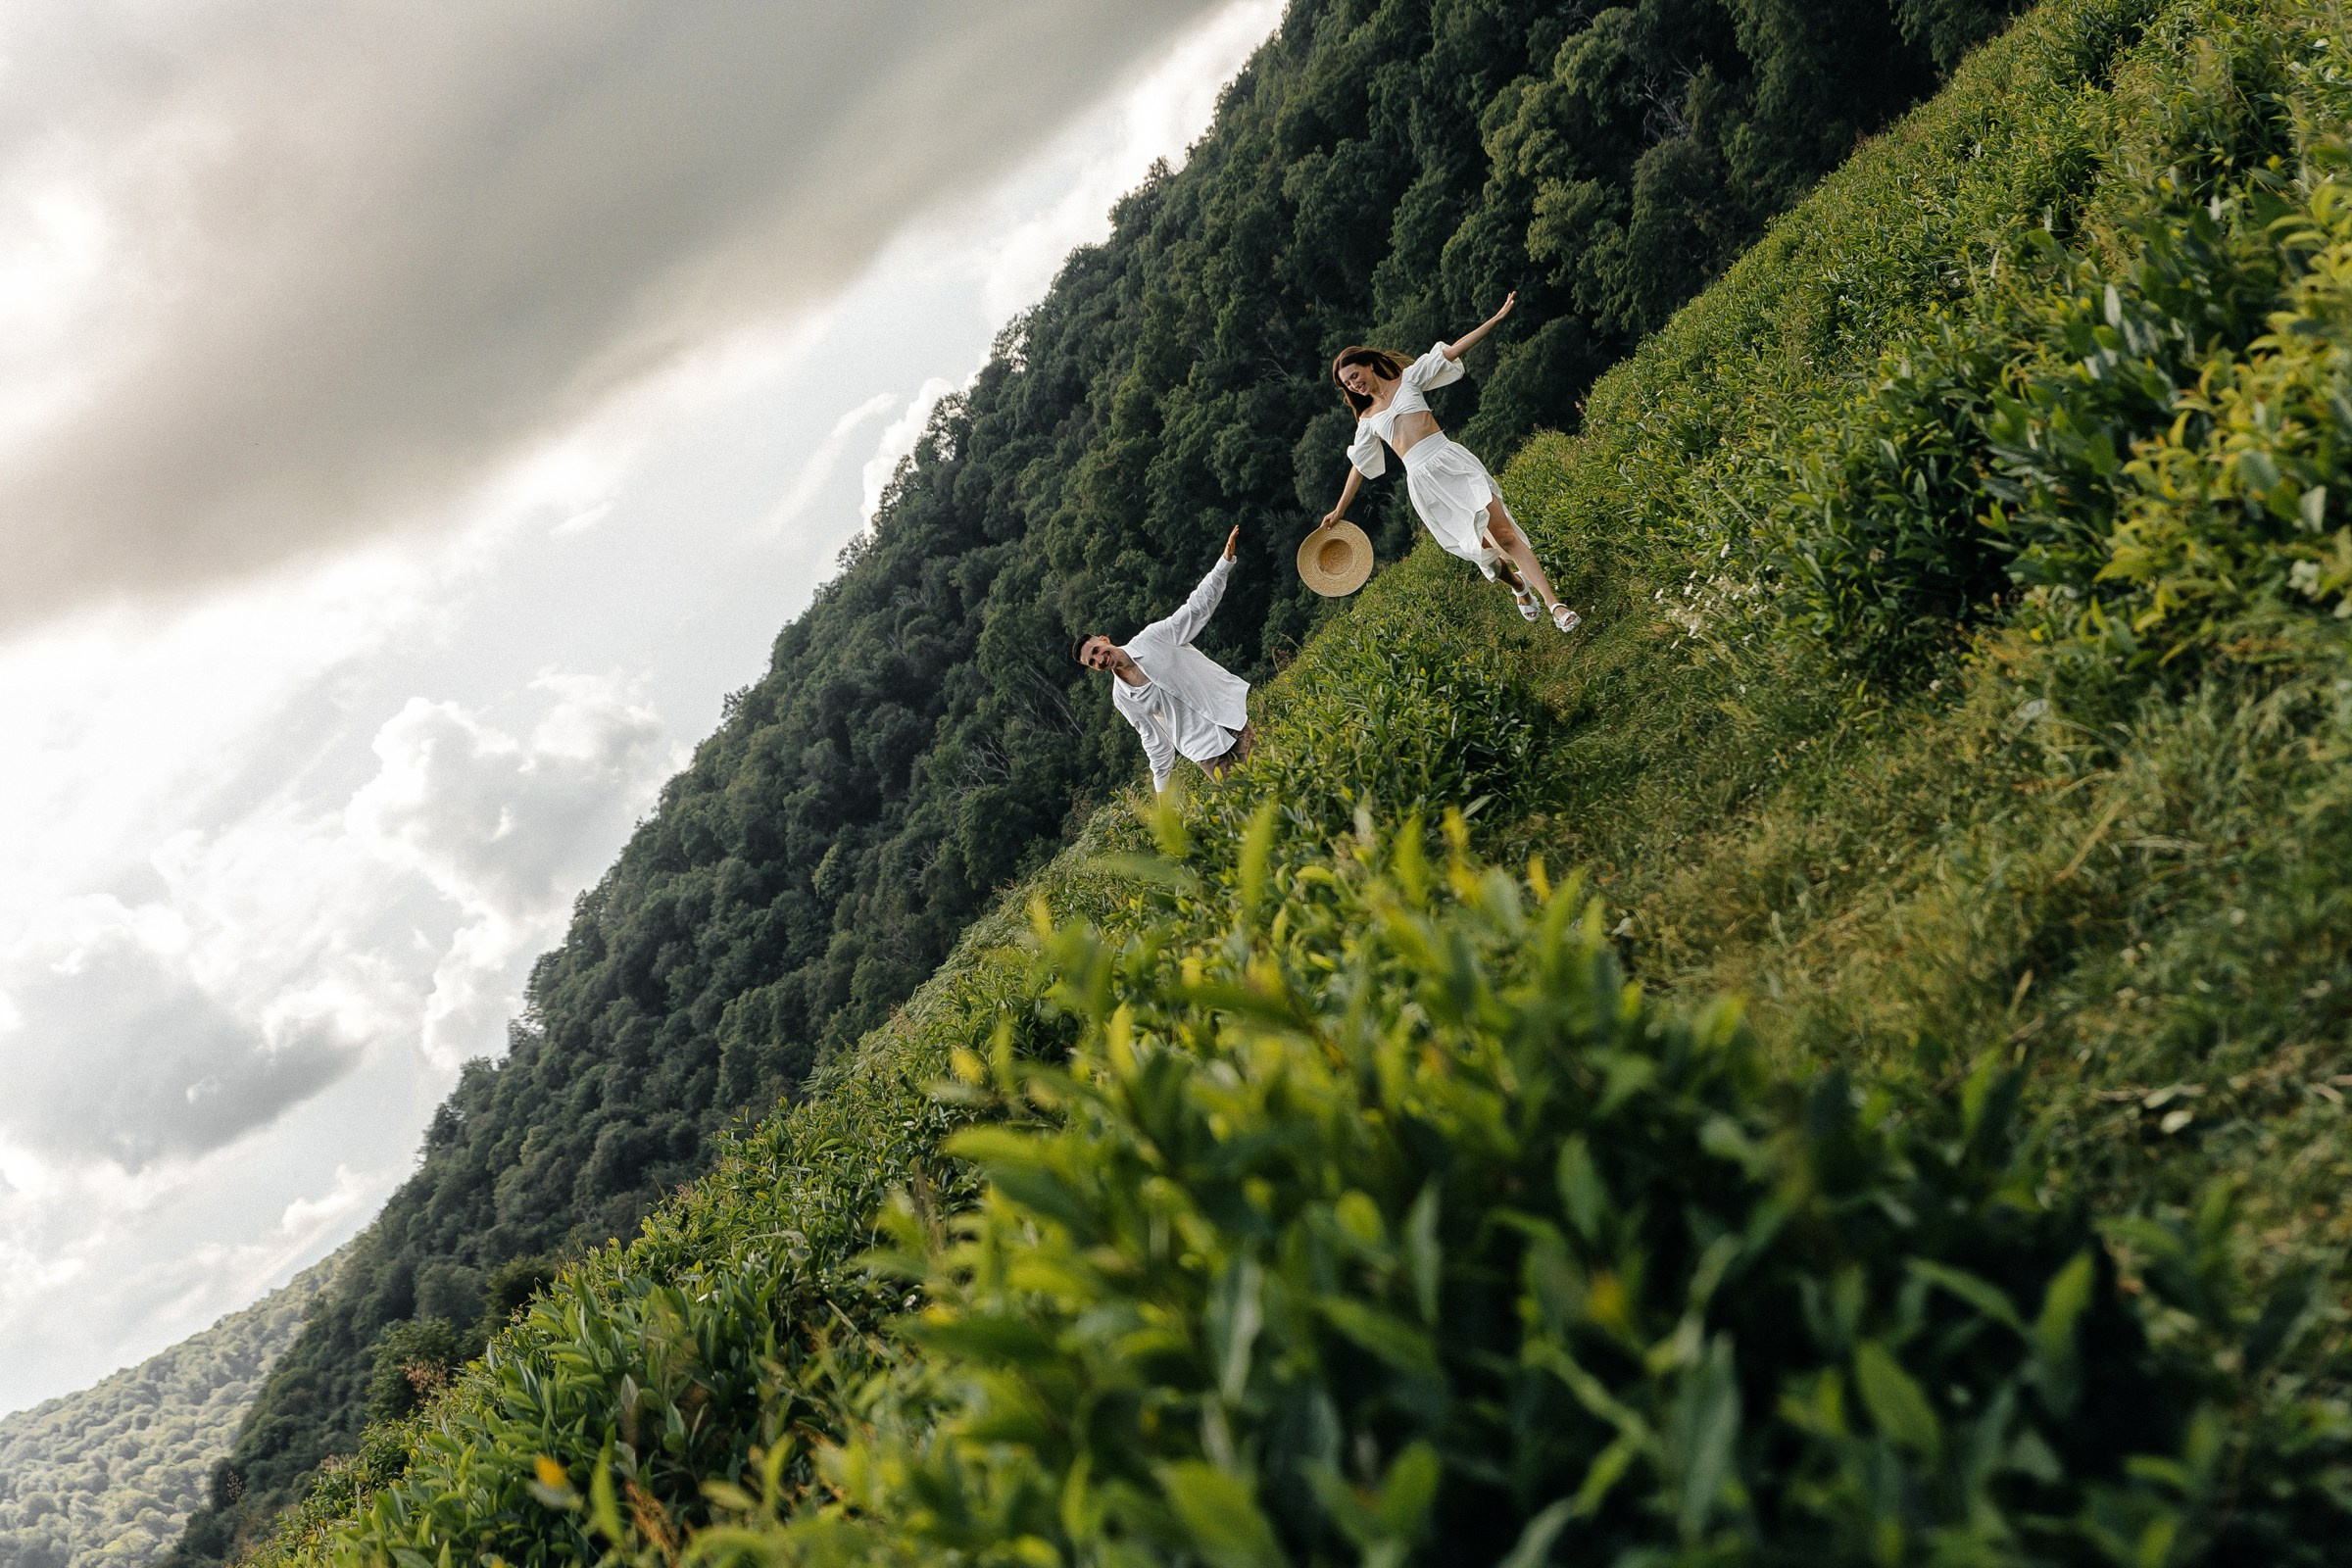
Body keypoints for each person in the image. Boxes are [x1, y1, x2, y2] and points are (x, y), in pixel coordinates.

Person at [1317, 291, 1581, 633]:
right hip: (1425, 484)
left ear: (1368, 363)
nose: (1354, 383)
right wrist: (1339, 510)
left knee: (1505, 536)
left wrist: (1496, 319)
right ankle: (1517, 586)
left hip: (1449, 459)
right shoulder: (1367, 420)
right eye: (1347, 382)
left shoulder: (1408, 378)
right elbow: (1359, 467)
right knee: (1481, 550)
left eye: (1355, 374)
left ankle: (1554, 605)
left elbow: (1455, 349)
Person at [1072, 526, 1254, 795]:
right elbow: (1153, 740)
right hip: (1202, 749)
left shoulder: (1152, 638)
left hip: (1227, 716)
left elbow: (1194, 609)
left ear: (1104, 639)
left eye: (1097, 651)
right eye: (1093, 662)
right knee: (1250, 805)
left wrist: (1223, 564)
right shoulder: (1123, 697)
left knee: (1272, 779)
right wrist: (1161, 794)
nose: (1100, 660)